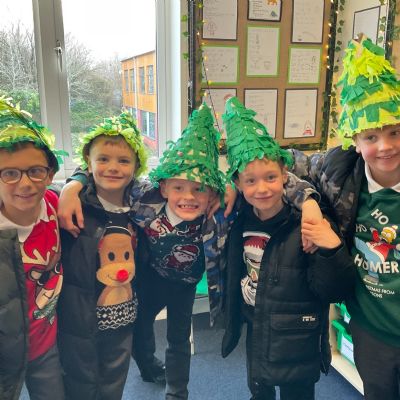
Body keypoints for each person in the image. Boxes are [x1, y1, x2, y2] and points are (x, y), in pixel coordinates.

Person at [58, 104, 322, 400]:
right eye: (179, 188)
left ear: (212, 192)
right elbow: (102, 172)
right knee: (139, 330)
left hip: (185, 286)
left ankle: (177, 392)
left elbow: (279, 179)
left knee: (178, 339)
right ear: (164, 188)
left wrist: (308, 201)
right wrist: (74, 184)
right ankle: (147, 366)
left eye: (199, 189)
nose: (188, 197)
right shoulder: (145, 199)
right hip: (150, 279)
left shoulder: (220, 214)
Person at [221, 97, 355, 400]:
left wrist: (331, 249)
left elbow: (335, 290)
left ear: (285, 176)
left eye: (270, 177)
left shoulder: (307, 223)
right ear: (239, 184)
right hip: (257, 327)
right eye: (250, 181)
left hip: (298, 337)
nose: (262, 188)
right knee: (259, 390)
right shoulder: (240, 219)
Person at [295, 35, 400, 400]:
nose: (385, 146)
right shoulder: (340, 172)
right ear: (355, 141)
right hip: (372, 329)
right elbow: (282, 166)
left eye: (395, 132)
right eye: (371, 136)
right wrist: (309, 201)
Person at [57, 112, 148, 400]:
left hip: (123, 315)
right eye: (103, 159)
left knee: (114, 380)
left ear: (136, 167)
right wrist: (72, 185)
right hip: (79, 320)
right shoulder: (76, 205)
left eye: (123, 161)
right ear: (89, 162)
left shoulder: (142, 206)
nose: (113, 168)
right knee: (81, 384)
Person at [0, 97, 65, 400]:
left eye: (35, 171)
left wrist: (75, 185)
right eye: (9, 173)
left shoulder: (53, 203)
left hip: (45, 345)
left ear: (50, 174)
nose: (25, 183)